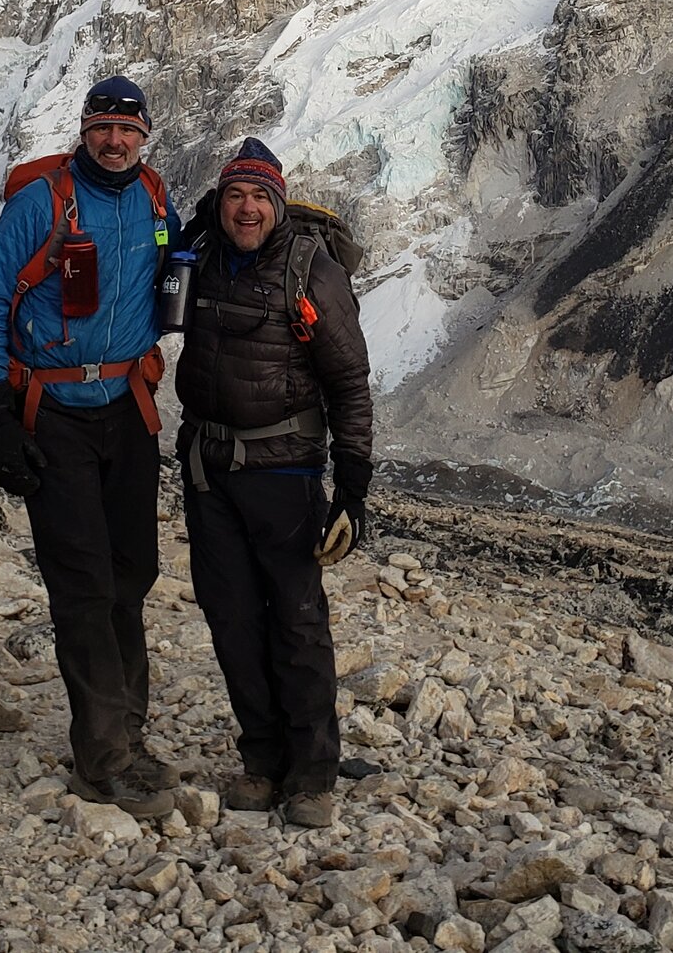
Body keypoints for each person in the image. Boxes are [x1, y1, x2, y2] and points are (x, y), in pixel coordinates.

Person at [0, 77, 180, 818]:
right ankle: (102, 758)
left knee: (133, 571)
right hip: (52, 409)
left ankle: (130, 733)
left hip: (127, 406)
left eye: (126, 129)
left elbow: (181, 271)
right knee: (84, 584)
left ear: (144, 134)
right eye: (101, 127)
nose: (114, 140)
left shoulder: (153, 202)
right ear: (84, 130)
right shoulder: (41, 203)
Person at [174, 137, 373, 829]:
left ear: (278, 202)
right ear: (220, 200)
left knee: (295, 619)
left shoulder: (308, 269)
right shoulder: (198, 255)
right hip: (207, 469)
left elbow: (348, 381)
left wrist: (352, 487)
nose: (247, 207)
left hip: (283, 472)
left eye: (259, 195)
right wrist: (194, 218)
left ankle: (313, 772)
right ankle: (262, 760)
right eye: (234, 194)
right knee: (230, 617)